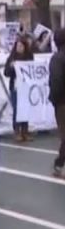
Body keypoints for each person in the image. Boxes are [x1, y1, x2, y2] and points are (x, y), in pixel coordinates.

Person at [4, 36, 35, 142]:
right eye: (18, 46)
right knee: (17, 109)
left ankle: (25, 131)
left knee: (25, 109)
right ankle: (17, 131)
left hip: (26, 87)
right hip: (15, 87)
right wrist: (11, 67)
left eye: (21, 46)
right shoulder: (11, 58)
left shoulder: (29, 57)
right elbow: (6, 73)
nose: (19, 48)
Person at [48, 29, 65, 177]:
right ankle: (59, 163)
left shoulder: (57, 59)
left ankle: (60, 163)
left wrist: (55, 99)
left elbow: (56, 81)